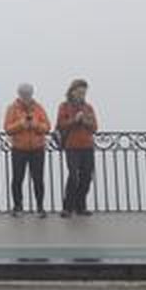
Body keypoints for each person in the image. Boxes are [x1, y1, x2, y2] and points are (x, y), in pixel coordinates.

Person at [2, 82, 50, 216]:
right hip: (19, 148)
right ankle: (18, 207)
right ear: (19, 94)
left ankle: (40, 207)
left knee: (38, 179)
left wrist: (35, 125)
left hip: (37, 148)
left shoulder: (38, 108)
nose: (26, 97)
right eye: (23, 94)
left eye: (28, 94)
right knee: (17, 178)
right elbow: (7, 128)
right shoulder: (12, 109)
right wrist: (20, 124)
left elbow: (47, 127)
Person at [56, 77, 99, 217]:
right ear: (72, 92)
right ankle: (67, 207)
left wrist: (85, 121)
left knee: (87, 176)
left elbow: (95, 127)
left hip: (87, 146)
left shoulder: (88, 107)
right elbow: (61, 124)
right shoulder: (64, 106)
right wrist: (74, 120)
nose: (82, 95)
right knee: (73, 176)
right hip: (72, 146)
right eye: (79, 92)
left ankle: (80, 206)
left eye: (84, 92)